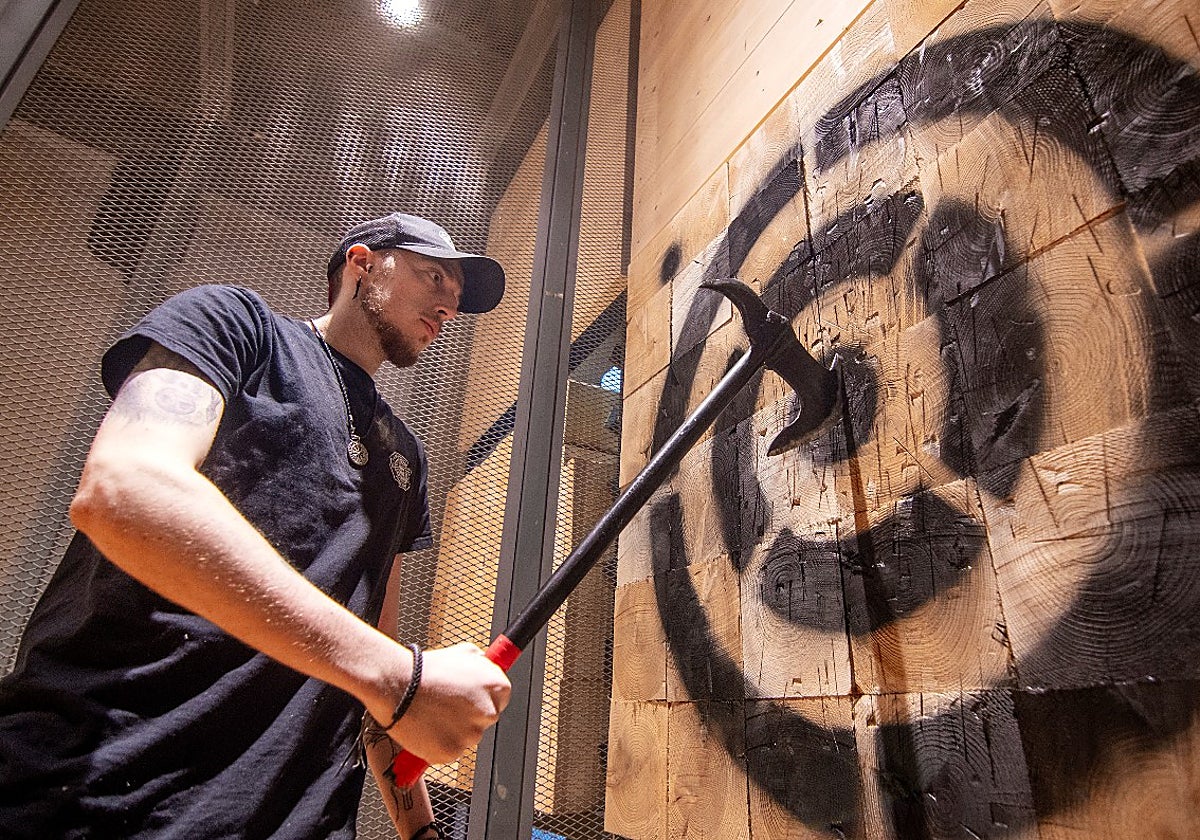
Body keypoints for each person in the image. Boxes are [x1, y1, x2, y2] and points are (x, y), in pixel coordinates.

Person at [0, 213, 513, 839]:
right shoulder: (236, 326)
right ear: (362, 264)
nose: (447, 306)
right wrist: (397, 675)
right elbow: (124, 490)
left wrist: (420, 830)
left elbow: (373, 654)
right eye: (434, 276)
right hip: (104, 796)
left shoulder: (403, 455)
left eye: (457, 299)